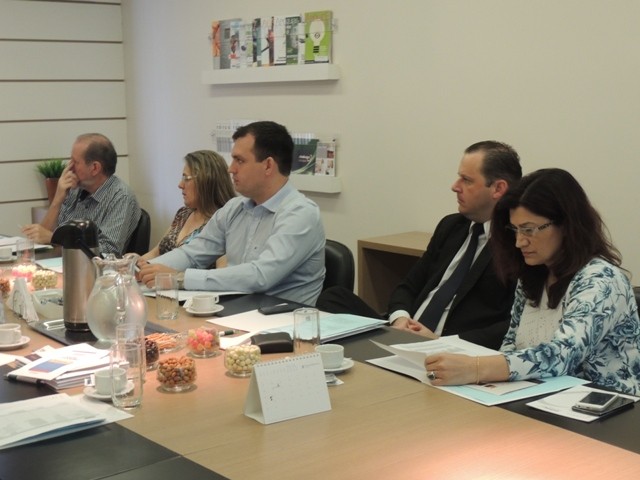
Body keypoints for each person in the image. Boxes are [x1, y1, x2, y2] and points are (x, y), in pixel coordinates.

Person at [425, 169, 640, 395]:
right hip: (538, 395)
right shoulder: (533, 274)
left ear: (566, 224)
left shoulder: (601, 279)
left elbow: (563, 354)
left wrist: (477, 368)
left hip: (603, 406)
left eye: (529, 230)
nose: (519, 242)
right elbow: (511, 343)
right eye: (515, 230)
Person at [316, 141, 522, 349]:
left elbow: (513, 324)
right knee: (334, 297)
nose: (455, 186)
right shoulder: (452, 226)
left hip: (451, 348)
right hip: (404, 333)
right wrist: (400, 319)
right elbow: (409, 286)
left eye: (466, 180)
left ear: (498, 188)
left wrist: (441, 342)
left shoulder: (519, 243)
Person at [137, 121, 325, 305]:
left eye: (239, 161)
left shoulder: (300, 214)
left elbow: (260, 276)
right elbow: (192, 254)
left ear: (268, 166)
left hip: (282, 319)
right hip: (235, 310)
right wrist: (145, 270)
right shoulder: (234, 208)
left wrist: (180, 278)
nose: (230, 169)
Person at [22, 133, 141, 255]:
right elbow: (41, 237)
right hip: (63, 262)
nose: (69, 167)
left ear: (95, 168)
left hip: (95, 267)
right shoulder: (75, 189)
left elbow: (108, 251)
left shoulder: (121, 197)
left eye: (75, 162)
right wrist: (57, 199)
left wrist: (55, 238)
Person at [140, 150, 235, 261]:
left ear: (206, 181)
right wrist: (134, 263)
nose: (180, 185)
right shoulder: (183, 213)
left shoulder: (222, 223)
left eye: (186, 179)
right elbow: (155, 253)